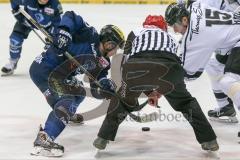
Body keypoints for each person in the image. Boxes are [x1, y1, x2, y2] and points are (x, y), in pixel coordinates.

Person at [92, 15, 219, 152]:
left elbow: (125, 63)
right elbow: (170, 65)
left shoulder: (136, 31)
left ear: (145, 24)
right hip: (170, 70)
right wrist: (159, 91)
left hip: (136, 68)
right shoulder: (171, 37)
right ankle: (209, 140)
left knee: (122, 101)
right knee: (185, 102)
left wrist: (136, 91)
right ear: (163, 27)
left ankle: (103, 137)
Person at [29, 11, 125, 157]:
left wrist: (105, 88)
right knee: (66, 101)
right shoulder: (90, 35)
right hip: (45, 70)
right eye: (116, 46)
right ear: (109, 43)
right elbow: (71, 16)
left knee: (78, 92)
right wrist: (64, 33)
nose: (115, 51)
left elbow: (96, 87)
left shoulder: (103, 64)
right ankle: (44, 138)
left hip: (61, 76)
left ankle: (65, 115)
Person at [165, 1, 240, 137]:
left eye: (174, 26)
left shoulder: (194, 36)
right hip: (234, 40)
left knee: (228, 81)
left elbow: (190, 74)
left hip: (237, 40)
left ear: (184, 20)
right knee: (213, 65)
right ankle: (225, 107)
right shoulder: (196, 7)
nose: (175, 31)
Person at [1, 0, 63, 76]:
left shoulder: (55, 5)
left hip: (48, 26)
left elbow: (59, 23)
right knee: (15, 39)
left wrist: (53, 36)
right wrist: (16, 11)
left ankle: (54, 65)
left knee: (56, 44)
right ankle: (13, 61)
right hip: (28, 21)